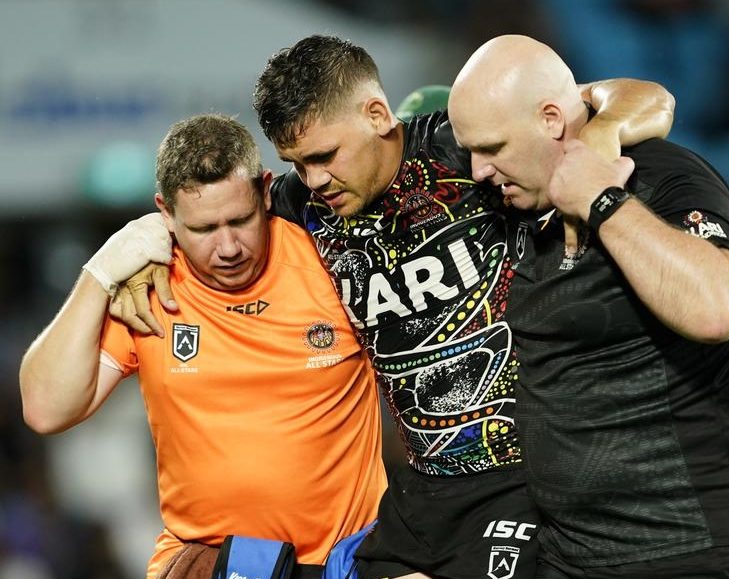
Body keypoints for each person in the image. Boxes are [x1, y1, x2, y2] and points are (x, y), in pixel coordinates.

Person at [119, 35, 675, 578]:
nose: (314, 179)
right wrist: (140, 252)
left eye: (324, 156)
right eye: (297, 162)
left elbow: (647, 98)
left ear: (377, 114)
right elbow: (214, 218)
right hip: (423, 489)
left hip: (523, 474)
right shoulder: (302, 201)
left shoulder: (463, 149)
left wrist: (600, 132)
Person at [447, 34, 729, 578]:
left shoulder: (662, 175)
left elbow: (716, 310)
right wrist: (606, 115)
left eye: (492, 148)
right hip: (577, 553)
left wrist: (601, 199)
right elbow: (606, 95)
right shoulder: (509, 189)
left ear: (550, 121)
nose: (477, 170)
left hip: (706, 545)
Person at [18, 114, 386, 579]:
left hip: (341, 561)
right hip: (206, 562)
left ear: (265, 191)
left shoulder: (334, 264)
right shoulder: (148, 288)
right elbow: (45, 410)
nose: (228, 247)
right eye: (204, 229)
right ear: (166, 214)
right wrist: (100, 272)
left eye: (241, 220)